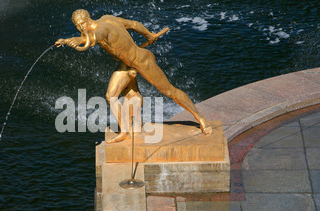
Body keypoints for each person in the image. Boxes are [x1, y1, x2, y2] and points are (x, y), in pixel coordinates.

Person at [55, 9, 212, 143]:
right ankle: (125, 132)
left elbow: (92, 39)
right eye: (77, 27)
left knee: (169, 91)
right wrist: (149, 35)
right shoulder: (108, 18)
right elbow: (134, 25)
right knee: (111, 96)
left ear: (88, 19)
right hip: (127, 65)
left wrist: (79, 43)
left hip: (142, 61)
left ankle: (201, 119)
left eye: (82, 25)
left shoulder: (102, 30)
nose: (81, 28)